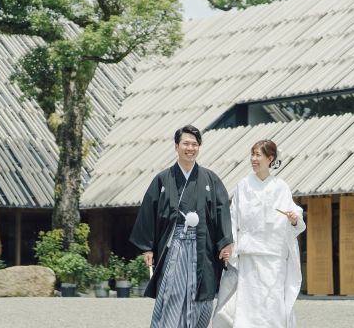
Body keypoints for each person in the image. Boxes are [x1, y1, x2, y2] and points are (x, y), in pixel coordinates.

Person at [130, 124, 233, 328]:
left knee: (201, 294)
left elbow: (222, 210)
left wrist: (225, 242)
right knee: (171, 291)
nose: (190, 148)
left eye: (194, 144)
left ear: (199, 147)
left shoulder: (210, 179)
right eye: (186, 143)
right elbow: (148, 212)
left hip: (202, 247)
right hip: (175, 244)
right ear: (176, 146)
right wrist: (148, 247)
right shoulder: (162, 179)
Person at [215, 139, 305, 328]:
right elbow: (233, 218)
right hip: (250, 255)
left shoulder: (281, 187)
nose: (253, 159)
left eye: (258, 155)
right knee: (249, 305)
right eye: (252, 154)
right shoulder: (243, 185)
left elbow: (295, 216)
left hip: (273, 256)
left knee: (273, 304)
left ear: (270, 158)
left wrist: (293, 218)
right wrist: (229, 245)